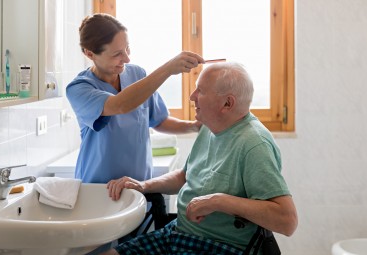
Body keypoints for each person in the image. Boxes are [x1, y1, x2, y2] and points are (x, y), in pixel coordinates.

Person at [102, 62, 298, 255]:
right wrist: (144, 185)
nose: (191, 97)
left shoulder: (254, 144)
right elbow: (185, 176)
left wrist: (218, 201)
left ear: (227, 103)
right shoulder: (209, 127)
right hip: (178, 233)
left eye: (201, 91)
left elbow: (287, 221)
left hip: (217, 245)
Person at [66, 13, 204, 184]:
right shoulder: (79, 89)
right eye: (117, 54)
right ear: (90, 54)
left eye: (127, 49)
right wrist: (168, 69)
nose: (126, 58)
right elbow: (119, 105)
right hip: (98, 189)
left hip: (139, 186)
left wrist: (195, 127)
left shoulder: (137, 75)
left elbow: (158, 121)